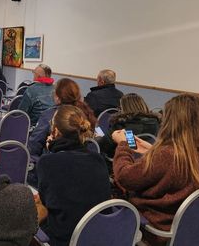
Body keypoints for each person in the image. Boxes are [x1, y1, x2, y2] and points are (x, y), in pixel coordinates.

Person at [112, 94, 199, 245]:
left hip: (156, 230)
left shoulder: (167, 155)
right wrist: (152, 151)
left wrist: (123, 145)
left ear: (171, 121)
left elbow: (124, 176)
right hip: (192, 227)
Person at [37, 105, 111, 246]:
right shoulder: (98, 159)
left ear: (55, 131)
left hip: (65, 238)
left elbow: (46, 202)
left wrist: (50, 151)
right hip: (98, 235)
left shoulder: (47, 162)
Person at [28, 78, 97, 163]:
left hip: (53, 163)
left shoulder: (49, 115)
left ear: (57, 97)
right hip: (84, 163)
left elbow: (34, 146)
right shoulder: (87, 113)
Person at [99, 93, 160, 160]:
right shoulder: (156, 124)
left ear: (123, 108)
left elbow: (102, 146)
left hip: (122, 161)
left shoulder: (121, 126)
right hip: (148, 161)